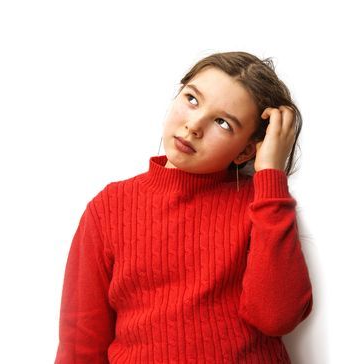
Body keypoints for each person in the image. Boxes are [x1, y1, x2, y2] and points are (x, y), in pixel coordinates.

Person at [54, 51, 313, 363]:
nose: (194, 126)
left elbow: (277, 316)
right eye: (192, 99)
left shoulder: (263, 205)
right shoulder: (109, 207)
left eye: (222, 122)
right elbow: (80, 342)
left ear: (246, 150)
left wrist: (271, 176)